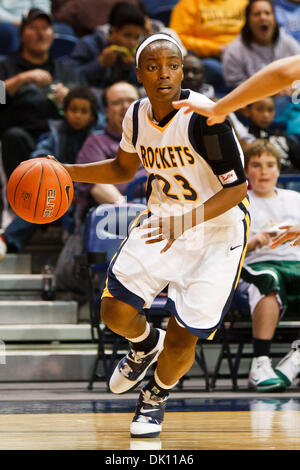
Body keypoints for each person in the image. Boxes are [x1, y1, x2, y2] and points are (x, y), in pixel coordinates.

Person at [52, 33, 248, 438]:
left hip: (218, 229)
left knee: (183, 337)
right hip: (163, 220)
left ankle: (154, 398)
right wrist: (67, 170)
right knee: (114, 311)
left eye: (173, 65)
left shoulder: (205, 118)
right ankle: (143, 344)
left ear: (183, 69)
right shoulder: (137, 115)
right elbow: (123, 170)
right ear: (139, 73)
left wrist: (188, 220)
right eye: (154, 66)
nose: (164, 74)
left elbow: (237, 189)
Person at [0, 86, 99, 260]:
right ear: (65, 111)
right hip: (54, 192)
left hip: (83, 196)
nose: (77, 115)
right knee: (38, 202)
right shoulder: (54, 133)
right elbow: (39, 155)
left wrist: (76, 192)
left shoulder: (97, 138)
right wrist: (41, 163)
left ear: (92, 116)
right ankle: (6, 241)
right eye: (73, 110)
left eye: (83, 111)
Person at [239, 140, 300, 392]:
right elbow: (223, 246)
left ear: (278, 169)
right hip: (255, 264)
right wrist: (252, 242)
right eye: (256, 165)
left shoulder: (295, 198)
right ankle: (260, 363)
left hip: (294, 262)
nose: (263, 171)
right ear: (246, 172)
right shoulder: (239, 201)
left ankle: (296, 358)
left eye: (269, 165)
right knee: (268, 279)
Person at [0, 8, 85, 182]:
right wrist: (20, 80)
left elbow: (90, 104)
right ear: (22, 35)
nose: (40, 34)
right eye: (34, 28)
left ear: (52, 35)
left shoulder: (65, 70)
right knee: (13, 136)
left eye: (45, 28)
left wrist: (70, 99)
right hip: (24, 138)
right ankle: (17, 200)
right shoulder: (6, 67)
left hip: (61, 139)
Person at [76, 81, 147, 218]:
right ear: (106, 110)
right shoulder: (95, 143)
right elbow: (97, 186)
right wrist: (132, 212)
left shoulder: (157, 139)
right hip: (117, 218)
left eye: (131, 101)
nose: (125, 107)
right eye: (117, 103)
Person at [169, 0, 248, 93]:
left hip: (244, 53)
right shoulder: (188, 4)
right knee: (207, 67)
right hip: (209, 57)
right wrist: (216, 49)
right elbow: (178, 38)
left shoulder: (243, 2)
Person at [64, 2, 145, 89]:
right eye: (127, 35)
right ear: (113, 31)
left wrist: (129, 69)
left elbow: (140, 84)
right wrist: (99, 64)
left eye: (136, 37)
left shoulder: (136, 52)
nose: (132, 42)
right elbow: (68, 76)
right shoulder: (88, 44)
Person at [222, 0, 300, 89]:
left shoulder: (289, 44)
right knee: (266, 103)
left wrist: (291, 88)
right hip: (252, 99)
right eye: (257, 14)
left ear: (274, 19)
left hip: (289, 96)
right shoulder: (234, 50)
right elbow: (234, 87)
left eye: (267, 13)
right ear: (248, 20)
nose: (263, 18)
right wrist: (271, 91)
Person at [243, 97, 300, 172]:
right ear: (247, 111)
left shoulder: (283, 136)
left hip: (291, 179)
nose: (266, 115)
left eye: (270, 110)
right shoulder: (244, 137)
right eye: (260, 109)